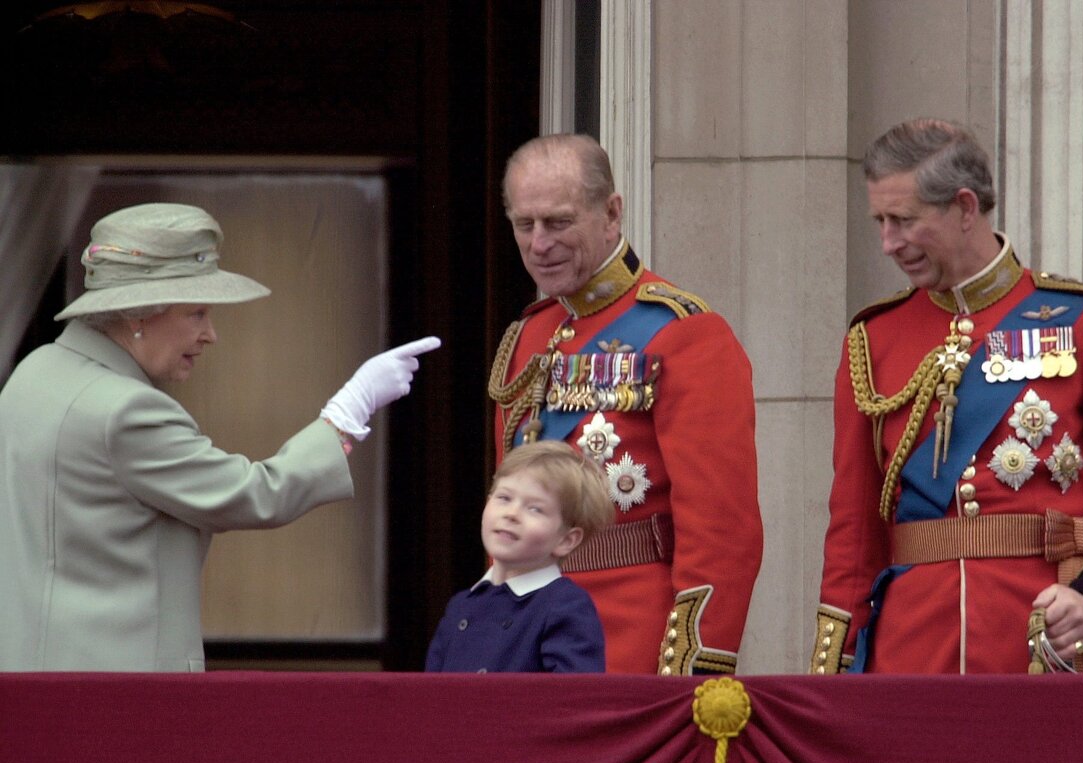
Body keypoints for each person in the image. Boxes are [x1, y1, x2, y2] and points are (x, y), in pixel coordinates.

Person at [0, 202, 440, 672]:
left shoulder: (35, 372)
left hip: (30, 680)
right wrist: (347, 414)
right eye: (197, 313)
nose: (211, 334)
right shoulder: (125, 411)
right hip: (117, 695)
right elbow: (257, 494)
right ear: (138, 315)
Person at [810, 118, 1083, 675]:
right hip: (909, 655)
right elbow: (853, 538)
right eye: (880, 221)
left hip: (1040, 644)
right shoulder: (873, 341)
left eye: (903, 221)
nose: (888, 243)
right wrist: (831, 676)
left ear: (963, 207)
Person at [488, 134, 763, 675]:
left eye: (559, 222)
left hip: (627, 644)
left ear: (612, 213)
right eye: (526, 225)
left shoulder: (684, 333)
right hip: (523, 640)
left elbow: (721, 531)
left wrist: (690, 669)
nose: (539, 244)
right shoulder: (528, 336)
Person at [425, 440, 609, 673]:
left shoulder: (566, 605)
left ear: (566, 540)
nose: (511, 514)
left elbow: (574, 701)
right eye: (504, 498)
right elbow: (429, 695)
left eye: (535, 509)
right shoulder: (461, 605)